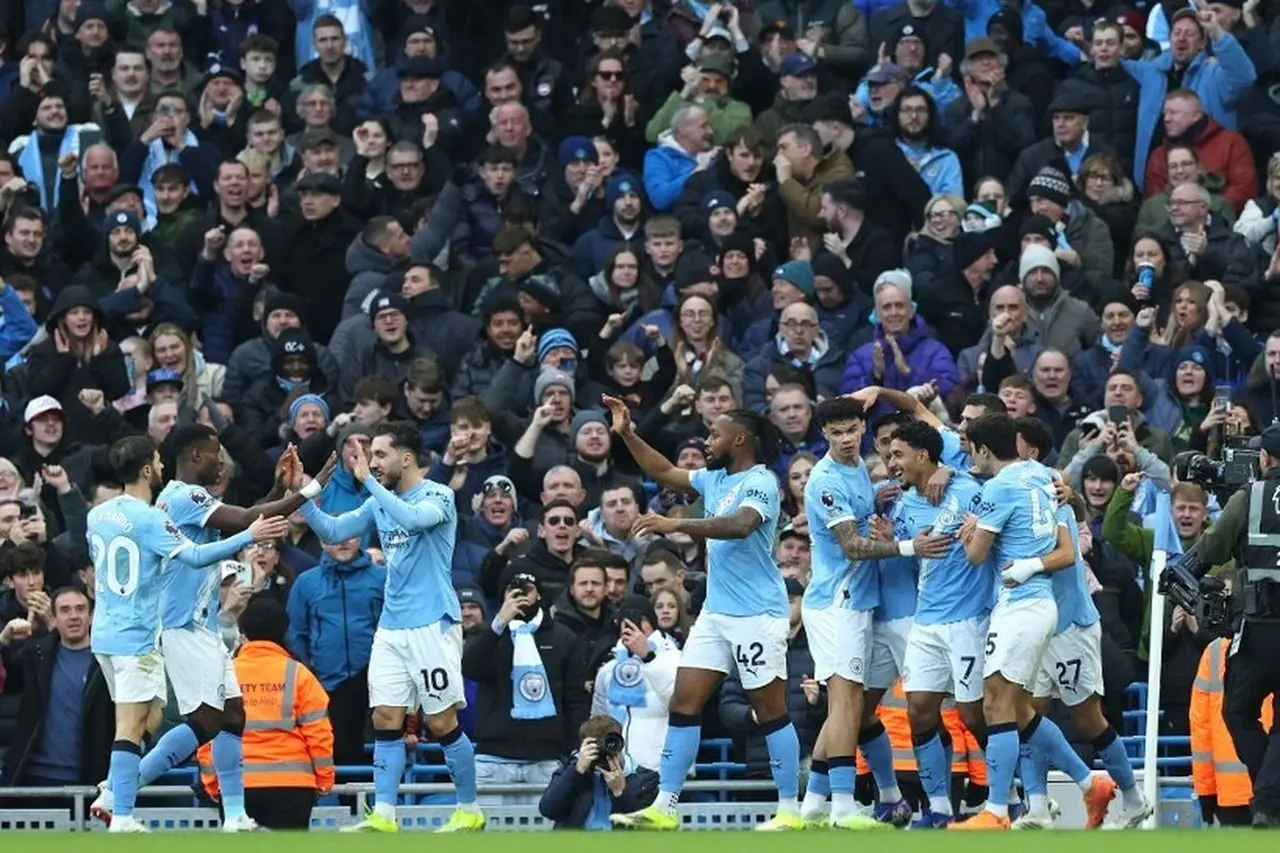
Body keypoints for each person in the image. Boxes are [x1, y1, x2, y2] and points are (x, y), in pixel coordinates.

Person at [601, 394, 802, 831]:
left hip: (757, 615)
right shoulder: (714, 479)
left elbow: (741, 525)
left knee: (771, 711)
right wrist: (628, 433)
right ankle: (664, 806)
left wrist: (676, 523)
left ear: (740, 438)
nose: (707, 441)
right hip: (716, 614)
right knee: (684, 702)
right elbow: (663, 471)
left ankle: (790, 809)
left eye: (714, 434)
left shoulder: (761, 482)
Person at [109, 427, 324, 830]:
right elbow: (245, 520)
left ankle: (236, 814)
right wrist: (313, 488)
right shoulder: (184, 496)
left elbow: (243, 521)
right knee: (208, 720)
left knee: (233, 715)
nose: (222, 462)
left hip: (201, 625)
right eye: (214, 454)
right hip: (183, 623)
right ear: (194, 456)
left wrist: (279, 487)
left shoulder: (189, 499)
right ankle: (119, 789)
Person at [291, 421, 483, 833]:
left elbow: (412, 520)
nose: (371, 462)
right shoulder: (379, 501)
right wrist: (301, 494)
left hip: (432, 623)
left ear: (406, 458)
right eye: (370, 455)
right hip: (391, 627)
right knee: (385, 717)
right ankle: (384, 814)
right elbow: (333, 530)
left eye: (379, 454)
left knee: (441, 722)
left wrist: (368, 484)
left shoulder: (439, 495)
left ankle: (470, 809)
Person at [794, 398, 943, 829]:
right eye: (836, 432)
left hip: (860, 605)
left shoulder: (857, 466)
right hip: (837, 602)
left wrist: (876, 498)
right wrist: (910, 546)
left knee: (855, 709)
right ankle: (842, 807)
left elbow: (860, 515)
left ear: (862, 428)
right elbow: (853, 547)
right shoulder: (825, 480)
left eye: (851, 430)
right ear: (823, 434)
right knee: (845, 704)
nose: (845, 439)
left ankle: (814, 806)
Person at [950, 414, 1103, 831]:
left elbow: (976, 556)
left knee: (995, 704)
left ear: (984, 449)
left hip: (1021, 604)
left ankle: (997, 811)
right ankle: (1090, 783)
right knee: (1017, 710)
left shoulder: (998, 488)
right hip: (1037, 605)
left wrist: (969, 530)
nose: (970, 459)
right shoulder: (1041, 473)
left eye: (971, 450)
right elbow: (1064, 510)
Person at [880, 419, 989, 828]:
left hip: (969, 619)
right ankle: (939, 806)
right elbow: (903, 545)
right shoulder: (901, 504)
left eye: (898, 454)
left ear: (924, 455)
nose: (891, 462)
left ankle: (1012, 796)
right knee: (920, 711)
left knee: (974, 715)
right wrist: (891, 539)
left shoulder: (969, 491)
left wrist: (951, 472)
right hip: (926, 621)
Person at [1190, 423, 1280, 827]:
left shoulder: (1250, 496)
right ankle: (1269, 799)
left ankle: (1267, 799)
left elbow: (1213, 549)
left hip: (1258, 626)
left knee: (1239, 712)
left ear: (1265, 458)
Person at [196, 594, 335, 830]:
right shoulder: (299, 675)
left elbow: (207, 737)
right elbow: (319, 734)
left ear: (243, 633)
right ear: (284, 632)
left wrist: (211, 781)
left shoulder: (223, 675)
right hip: (293, 785)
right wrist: (324, 779)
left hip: (235, 787)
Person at [538, 714, 660, 828]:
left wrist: (620, 792)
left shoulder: (645, 779)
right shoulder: (570, 772)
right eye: (595, 748)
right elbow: (548, 810)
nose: (603, 755)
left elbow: (641, 829)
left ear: (620, 745)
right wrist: (576, 772)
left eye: (608, 747)